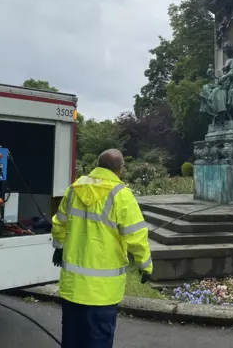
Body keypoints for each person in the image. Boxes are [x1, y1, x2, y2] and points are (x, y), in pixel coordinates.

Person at [51, 148, 153, 348]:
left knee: (72, 339)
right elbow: (137, 236)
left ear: (97, 166)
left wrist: (59, 246)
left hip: (74, 288)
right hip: (103, 292)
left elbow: (59, 223)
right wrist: (145, 266)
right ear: (120, 169)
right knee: (98, 341)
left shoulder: (74, 188)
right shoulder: (121, 195)